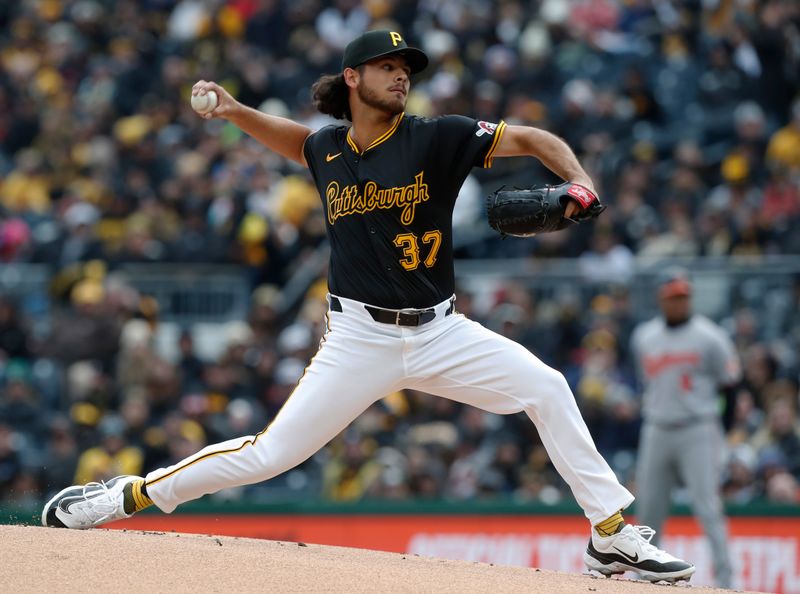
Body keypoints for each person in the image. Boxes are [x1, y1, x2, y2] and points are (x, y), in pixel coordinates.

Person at [42, 30, 694, 583]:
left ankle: (609, 533)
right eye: (388, 68)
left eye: (406, 69)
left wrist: (579, 181)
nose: (401, 77)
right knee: (270, 456)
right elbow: (296, 142)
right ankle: (123, 496)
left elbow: (534, 138)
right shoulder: (327, 150)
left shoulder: (437, 138)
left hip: (442, 332)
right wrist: (236, 111)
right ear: (353, 78)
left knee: (547, 387)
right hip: (359, 340)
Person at [631, 269, 741, 587]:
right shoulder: (644, 337)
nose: (678, 303)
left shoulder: (711, 336)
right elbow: (647, 383)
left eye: (683, 297)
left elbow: (730, 386)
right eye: (672, 298)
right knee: (649, 508)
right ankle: (644, 574)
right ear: (661, 300)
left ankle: (726, 580)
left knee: (708, 507)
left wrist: (723, 429)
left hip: (698, 428)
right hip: (657, 427)